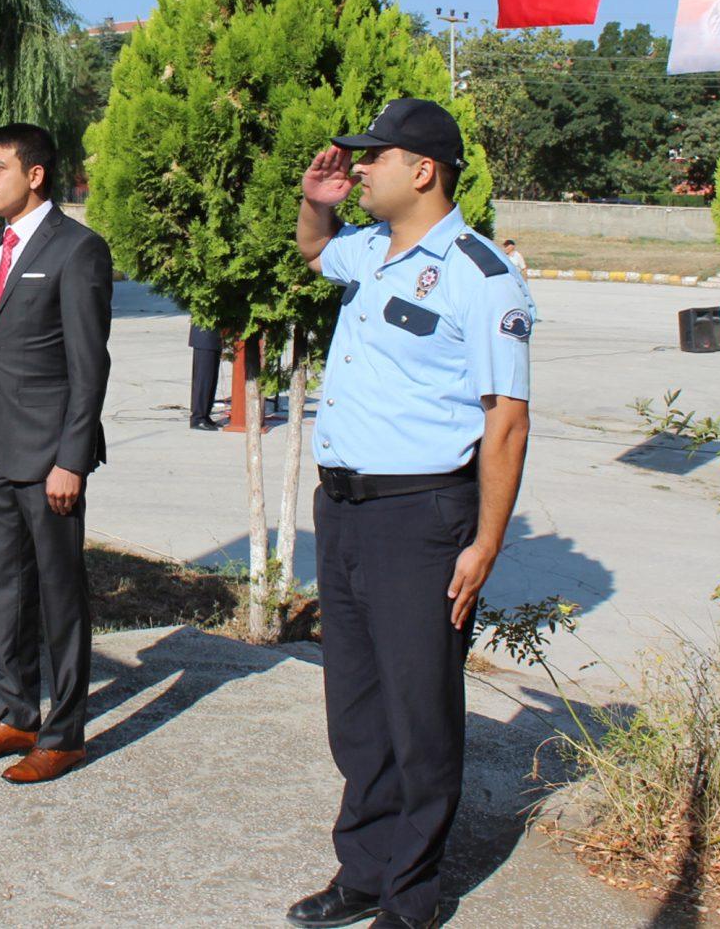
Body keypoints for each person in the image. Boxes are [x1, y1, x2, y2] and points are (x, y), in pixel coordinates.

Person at [285, 98, 534, 929]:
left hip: (422, 515)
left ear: (423, 169)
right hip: (347, 510)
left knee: (418, 709)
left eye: (372, 157)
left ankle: (411, 894)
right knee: (355, 705)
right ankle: (363, 868)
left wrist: (487, 540)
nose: (357, 167)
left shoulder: (481, 274)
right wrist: (316, 200)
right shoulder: (367, 250)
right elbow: (315, 249)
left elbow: (506, 418)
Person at [0, 123, 111, 785]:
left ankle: (64, 732)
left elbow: (88, 364)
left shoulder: (78, 249)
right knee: (4, 590)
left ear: (35, 174)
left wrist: (71, 459)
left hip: (49, 458)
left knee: (60, 597)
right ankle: (14, 712)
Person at [188, 324, 222, 430]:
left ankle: (205, 415)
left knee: (211, 379)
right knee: (203, 379)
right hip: (205, 337)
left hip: (214, 337)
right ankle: (198, 418)